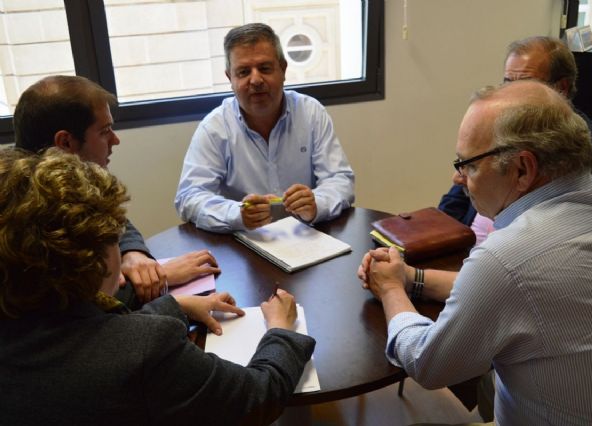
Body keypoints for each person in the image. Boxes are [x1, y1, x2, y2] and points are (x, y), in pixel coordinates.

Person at [358, 80, 592, 424]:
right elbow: (523, 293)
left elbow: (427, 365)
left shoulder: (506, 258)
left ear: (522, 169)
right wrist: (411, 278)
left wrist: (389, 289)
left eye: (469, 165)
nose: (458, 177)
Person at [0, 148, 315, 426]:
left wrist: (176, 306)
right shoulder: (148, 348)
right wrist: (282, 331)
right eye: (115, 239)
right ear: (90, 258)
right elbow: (257, 397)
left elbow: (89, 335)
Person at [13, 75, 218, 305]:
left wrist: (133, 253)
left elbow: (115, 221)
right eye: (105, 131)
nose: (115, 140)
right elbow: (83, 307)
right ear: (65, 143)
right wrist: (162, 276)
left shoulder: (58, 183)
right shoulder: (25, 214)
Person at [439, 36, 592, 244]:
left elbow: (566, 227)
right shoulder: (492, 124)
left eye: (525, 84)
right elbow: (458, 196)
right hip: (463, 245)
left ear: (560, 88)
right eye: (508, 83)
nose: (511, 95)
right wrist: (435, 239)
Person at [175, 23, 354, 232]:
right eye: (243, 72)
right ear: (230, 78)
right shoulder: (214, 128)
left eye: (265, 68)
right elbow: (189, 197)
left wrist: (317, 203)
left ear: (283, 69)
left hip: (307, 236)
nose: (256, 79)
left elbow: (340, 180)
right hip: (243, 245)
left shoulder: (311, 113)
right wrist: (237, 213)